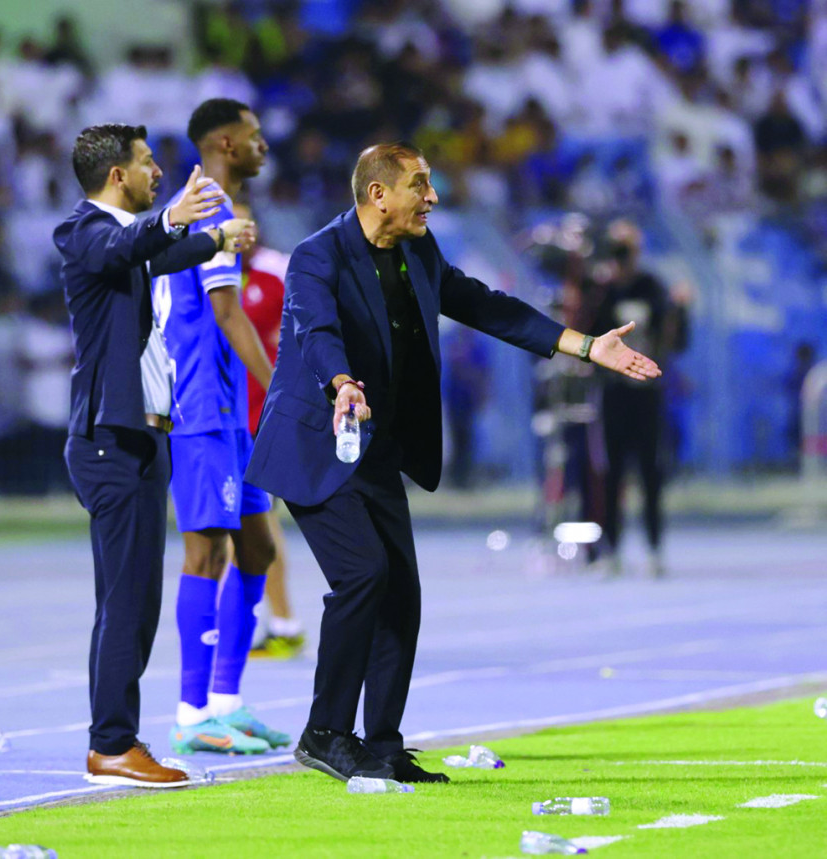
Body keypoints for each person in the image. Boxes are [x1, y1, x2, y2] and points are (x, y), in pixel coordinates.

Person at [245, 142, 661, 784]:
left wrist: (584, 346)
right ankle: (324, 733)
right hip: (317, 444)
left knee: (402, 594)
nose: (432, 197)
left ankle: (383, 746)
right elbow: (314, 328)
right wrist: (342, 383)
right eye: (419, 184)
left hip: (375, 448)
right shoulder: (317, 255)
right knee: (363, 575)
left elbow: (484, 304)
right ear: (378, 193)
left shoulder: (417, 251)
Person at [54, 122, 254, 788]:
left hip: (140, 438)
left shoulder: (126, 243)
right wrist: (175, 218)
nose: (158, 171)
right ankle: (111, 744)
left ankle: (116, 739)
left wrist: (214, 240)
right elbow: (130, 245)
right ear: (118, 176)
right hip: (110, 441)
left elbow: (152, 254)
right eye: (146, 163)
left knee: (134, 600)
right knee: (126, 600)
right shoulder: (84, 232)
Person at [154, 98, 290, 756]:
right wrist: (283, 389)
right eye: (255, 136)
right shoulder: (209, 209)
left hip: (230, 409)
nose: (264, 145)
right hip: (201, 404)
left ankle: (228, 702)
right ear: (226, 143)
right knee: (206, 552)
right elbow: (228, 312)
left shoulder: (219, 207)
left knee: (257, 548)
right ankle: (191, 712)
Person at [590, 219, 689, 578]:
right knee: (611, 474)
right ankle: (611, 549)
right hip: (614, 394)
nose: (620, 258)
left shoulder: (652, 288)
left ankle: (654, 548)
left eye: (625, 250)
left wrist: (680, 311)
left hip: (646, 395)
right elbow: (587, 338)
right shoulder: (602, 292)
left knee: (651, 473)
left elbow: (676, 341)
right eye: (615, 250)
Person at [234, 202, 306, 660]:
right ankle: (268, 622)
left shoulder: (276, 271)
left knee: (259, 521)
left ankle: (282, 622)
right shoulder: (207, 272)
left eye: (245, 220)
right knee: (237, 526)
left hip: (265, 418)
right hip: (224, 419)